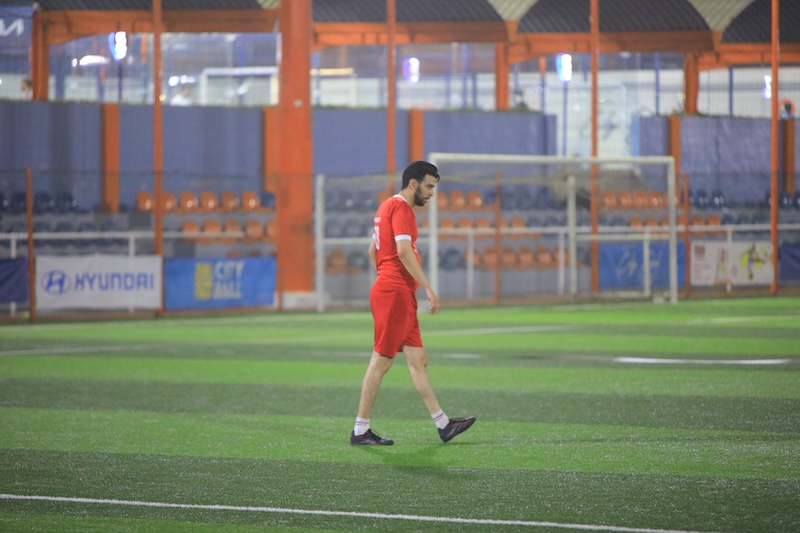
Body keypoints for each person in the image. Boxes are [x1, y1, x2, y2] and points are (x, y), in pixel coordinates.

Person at [350, 160, 476, 446]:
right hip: (394, 294)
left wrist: (387, 277)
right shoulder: (402, 209)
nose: (431, 193)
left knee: (418, 360)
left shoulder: (386, 207)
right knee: (381, 361)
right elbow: (404, 251)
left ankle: (443, 424)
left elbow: (372, 250)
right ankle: (360, 430)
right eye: (428, 186)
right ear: (412, 184)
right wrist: (428, 289)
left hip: (396, 292)